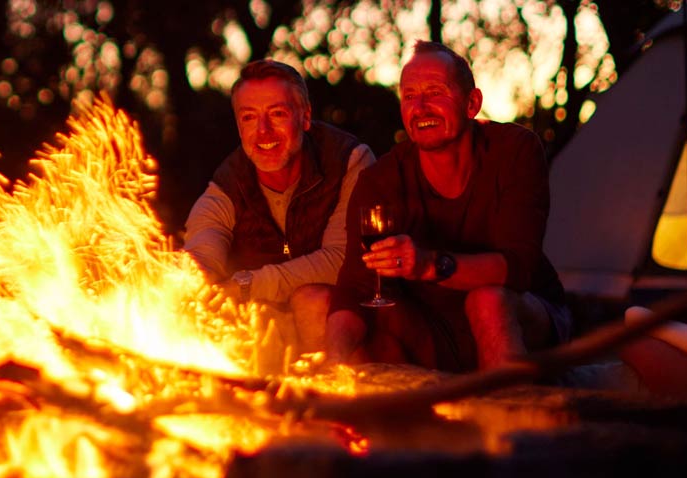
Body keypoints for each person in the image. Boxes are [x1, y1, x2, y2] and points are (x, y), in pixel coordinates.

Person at [326, 41, 570, 372]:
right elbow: (356, 287)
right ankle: (388, 418)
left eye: (435, 92)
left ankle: (513, 418)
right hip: (432, 330)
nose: (421, 107)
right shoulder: (380, 180)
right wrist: (329, 363)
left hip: (523, 312)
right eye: (409, 96)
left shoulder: (514, 151)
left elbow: (518, 268)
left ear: (472, 103)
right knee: (332, 312)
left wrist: (428, 265)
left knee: (486, 300)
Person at [182, 60, 376, 355]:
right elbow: (202, 249)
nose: (263, 131)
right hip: (268, 324)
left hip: (342, 313)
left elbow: (341, 259)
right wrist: (194, 281)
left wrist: (246, 285)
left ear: (306, 117)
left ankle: (330, 397)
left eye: (277, 114)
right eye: (249, 118)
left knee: (312, 301)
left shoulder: (348, 160)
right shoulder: (228, 184)